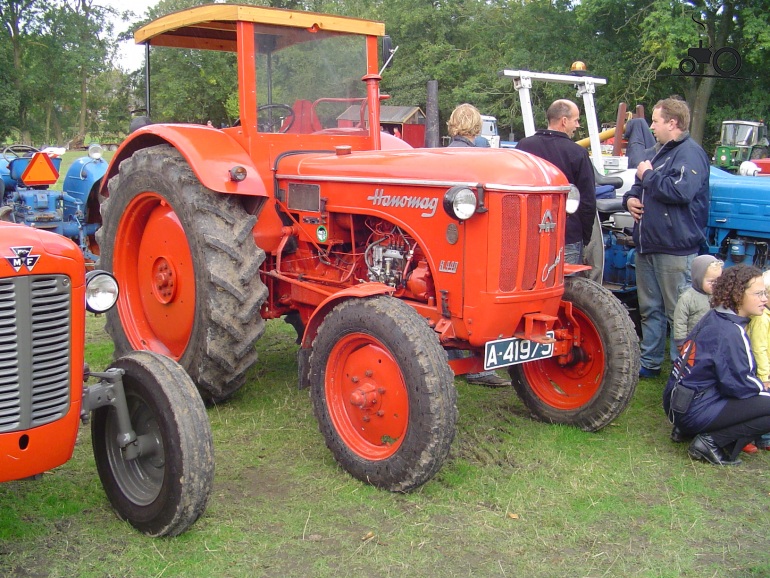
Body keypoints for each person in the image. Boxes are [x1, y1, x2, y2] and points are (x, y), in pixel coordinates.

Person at [622, 98, 710, 378]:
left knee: (679, 313)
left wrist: (647, 176)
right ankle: (649, 363)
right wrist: (630, 199)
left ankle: (682, 368)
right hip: (648, 244)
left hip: (675, 248)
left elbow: (681, 192)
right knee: (650, 309)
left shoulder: (690, 154)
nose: (651, 126)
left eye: (656, 121)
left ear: (673, 123)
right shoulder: (658, 152)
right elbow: (638, 184)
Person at [663, 265, 770, 466]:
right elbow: (739, 386)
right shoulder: (731, 332)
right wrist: (762, 385)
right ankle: (711, 443)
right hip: (691, 410)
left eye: (764, 293)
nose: (764, 298)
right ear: (738, 295)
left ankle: (685, 431)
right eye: (758, 293)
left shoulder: (713, 316)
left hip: (674, 403)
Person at [445, 103, 510, 387]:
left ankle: (473, 362)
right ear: (477, 127)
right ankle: (478, 366)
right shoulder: (486, 158)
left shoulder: (444, 157)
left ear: (452, 125)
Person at [516, 99, 596, 265]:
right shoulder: (578, 153)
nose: (578, 125)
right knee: (567, 287)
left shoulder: (523, 147)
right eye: (576, 120)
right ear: (564, 121)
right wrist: (584, 237)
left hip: (529, 235)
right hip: (567, 235)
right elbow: (587, 202)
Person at [672, 255, 723, 350]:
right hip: (694, 341)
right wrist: (680, 341)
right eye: (711, 281)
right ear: (698, 278)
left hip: (715, 339)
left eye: (718, 280)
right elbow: (680, 321)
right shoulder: (687, 298)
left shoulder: (720, 295)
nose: (715, 284)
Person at [747, 269, 770, 451]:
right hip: (761, 369)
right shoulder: (762, 319)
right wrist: (764, 375)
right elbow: (759, 348)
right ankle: (763, 438)